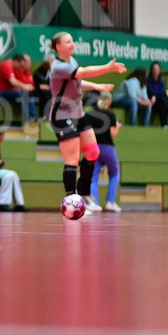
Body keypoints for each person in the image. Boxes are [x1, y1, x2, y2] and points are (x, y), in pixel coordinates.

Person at [48, 31, 126, 209]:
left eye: (72, 41)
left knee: (92, 153)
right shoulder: (58, 66)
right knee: (72, 159)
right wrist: (107, 68)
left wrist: (96, 86)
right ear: (58, 47)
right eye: (68, 42)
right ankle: (72, 200)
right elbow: (83, 72)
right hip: (63, 116)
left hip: (79, 115)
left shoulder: (72, 61)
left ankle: (84, 194)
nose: (72, 44)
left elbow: (77, 80)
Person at [87, 91, 122, 213]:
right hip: (107, 148)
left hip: (93, 147)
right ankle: (110, 202)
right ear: (109, 102)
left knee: (93, 177)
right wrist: (117, 127)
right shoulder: (110, 114)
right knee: (114, 173)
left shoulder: (90, 113)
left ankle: (94, 203)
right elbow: (113, 133)